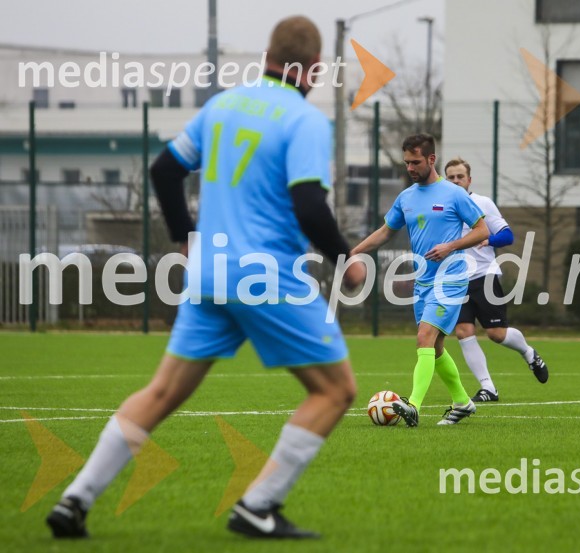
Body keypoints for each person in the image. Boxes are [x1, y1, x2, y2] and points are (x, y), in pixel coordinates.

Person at [46, 16, 366, 540]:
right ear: (312, 68)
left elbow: (164, 170)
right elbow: (310, 204)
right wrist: (345, 257)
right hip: (266, 276)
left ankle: (75, 498)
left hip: (209, 272)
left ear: (267, 55)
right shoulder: (304, 120)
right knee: (335, 391)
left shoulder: (222, 106)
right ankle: (259, 504)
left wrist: (185, 236)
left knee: (162, 391)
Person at [351, 135, 488, 426]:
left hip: (451, 278)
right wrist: (354, 251)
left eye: (415, 162)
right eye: (407, 163)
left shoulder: (454, 193)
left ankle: (413, 404)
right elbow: (386, 231)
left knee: (424, 337)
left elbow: (482, 231)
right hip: (424, 281)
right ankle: (463, 402)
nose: (410, 168)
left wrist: (451, 246)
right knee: (435, 347)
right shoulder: (406, 197)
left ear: (431, 159)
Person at [443, 158, 549, 402]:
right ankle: (488, 388)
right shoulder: (444, 207)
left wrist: (488, 240)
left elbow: (508, 235)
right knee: (463, 331)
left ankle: (529, 353)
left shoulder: (482, 203)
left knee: (496, 333)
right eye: (451, 177)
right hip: (457, 279)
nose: (456, 181)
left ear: (469, 180)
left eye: (460, 176)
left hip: (484, 275)